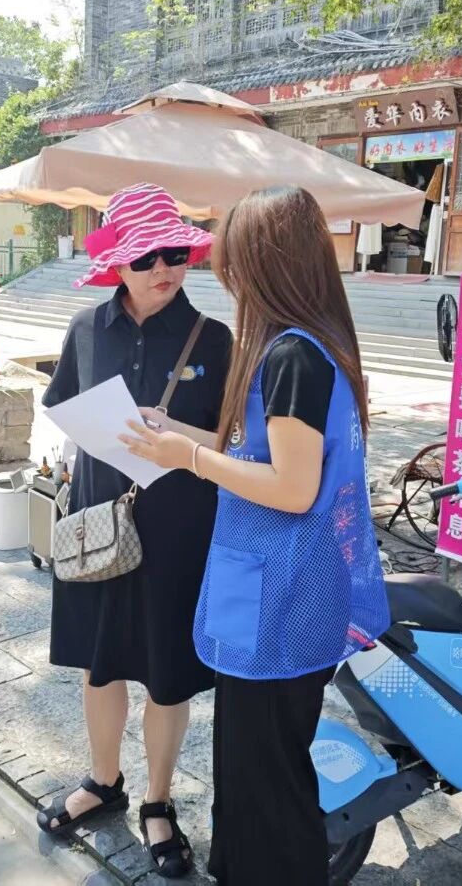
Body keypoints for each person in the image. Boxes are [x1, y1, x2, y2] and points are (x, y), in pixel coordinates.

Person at [121, 186, 391, 885]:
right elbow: (259, 453)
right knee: (247, 771)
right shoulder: (305, 345)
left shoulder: (293, 356)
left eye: (236, 264)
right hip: (271, 583)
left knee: (269, 785)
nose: (229, 279)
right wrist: (177, 433)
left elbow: (293, 487)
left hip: (286, 592)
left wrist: (188, 457)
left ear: (271, 266)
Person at [37, 183, 233, 879]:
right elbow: (62, 404)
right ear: (117, 262)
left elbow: (235, 442)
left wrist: (173, 430)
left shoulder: (214, 338)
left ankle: (158, 800)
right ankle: (103, 779)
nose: (163, 268)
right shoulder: (87, 328)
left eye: (174, 253)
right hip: (99, 521)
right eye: (146, 256)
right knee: (101, 662)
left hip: (179, 528)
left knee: (167, 675)